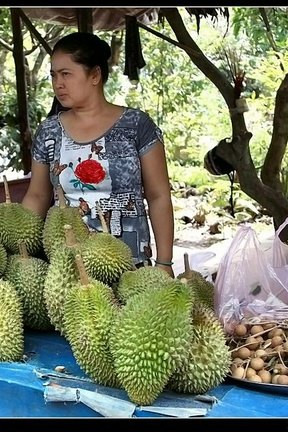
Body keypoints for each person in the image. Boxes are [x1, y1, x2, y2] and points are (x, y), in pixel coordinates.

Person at [22, 32, 175, 276]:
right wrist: (17, 246)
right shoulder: (49, 131)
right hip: (68, 266)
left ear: (95, 75)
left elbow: (158, 197)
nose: (58, 83)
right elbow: (38, 196)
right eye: (53, 75)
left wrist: (165, 262)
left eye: (66, 74)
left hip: (131, 264)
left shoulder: (136, 126)